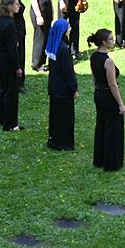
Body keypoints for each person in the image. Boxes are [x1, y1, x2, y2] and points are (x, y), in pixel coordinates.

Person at [88, 29, 125, 171]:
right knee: (112, 129)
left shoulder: (93, 57)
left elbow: (93, 77)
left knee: (101, 126)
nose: (112, 41)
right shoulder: (108, 61)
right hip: (108, 96)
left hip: (98, 94)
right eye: (110, 39)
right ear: (104, 42)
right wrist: (121, 104)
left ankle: (99, 159)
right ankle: (111, 162)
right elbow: (112, 84)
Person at [0, 0, 23, 131]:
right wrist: (17, 67)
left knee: (3, 89)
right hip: (7, 61)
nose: (18, 6)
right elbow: (12, 48)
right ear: (9, 6)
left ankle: (2, 118)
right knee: (11, 92)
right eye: (16, 4)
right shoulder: (10, 24)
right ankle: (10, 124)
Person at [46, 19, 78, 151]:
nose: (70, 29)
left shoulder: (53, 46)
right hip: (63, 90)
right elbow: (68, 72)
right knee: (65, 117)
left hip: (54, 88)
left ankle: (54, 139)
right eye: (68, 28)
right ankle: (63, 142)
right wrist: (74, 88)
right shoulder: (64, 50)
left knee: (55, 115)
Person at [28, 0, 53, 72]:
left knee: (46, 35)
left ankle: (43, 61)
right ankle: (36, 63)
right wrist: (38, 15)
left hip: (47, 9)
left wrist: (52, 10)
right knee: (40, 36)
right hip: (38, 10)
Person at [5, 0, 27, 93]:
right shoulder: (10, 0)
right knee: (18, 56)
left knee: (21, 55)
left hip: (21, 29)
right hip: (16, 31)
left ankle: (20, 81)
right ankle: (17, 82)